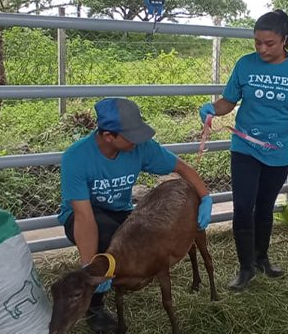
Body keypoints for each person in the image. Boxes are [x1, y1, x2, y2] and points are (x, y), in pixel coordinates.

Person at [59, 97, 213, 333]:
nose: (138, 141)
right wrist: (89, 265)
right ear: (109, 136)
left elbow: (181, 167)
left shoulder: (139, 147)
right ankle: (95, 307)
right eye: (132, 136)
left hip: (120, 211)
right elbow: (84, 217)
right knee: (108, 240)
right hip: (83, 216)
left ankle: (126, 279)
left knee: (141, 237)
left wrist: (205, 197)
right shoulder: (77, 157)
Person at [198, 9, 288, 291]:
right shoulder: (245, 65)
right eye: (257, 42)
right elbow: (228, 102)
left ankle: (262, 258)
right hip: (245, 147)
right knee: (244, 207)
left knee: (265, 207)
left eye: (269, 43)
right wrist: (213, 109)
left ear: (285, 40)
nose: (262, 49)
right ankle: (245, 268)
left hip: (279, 150)